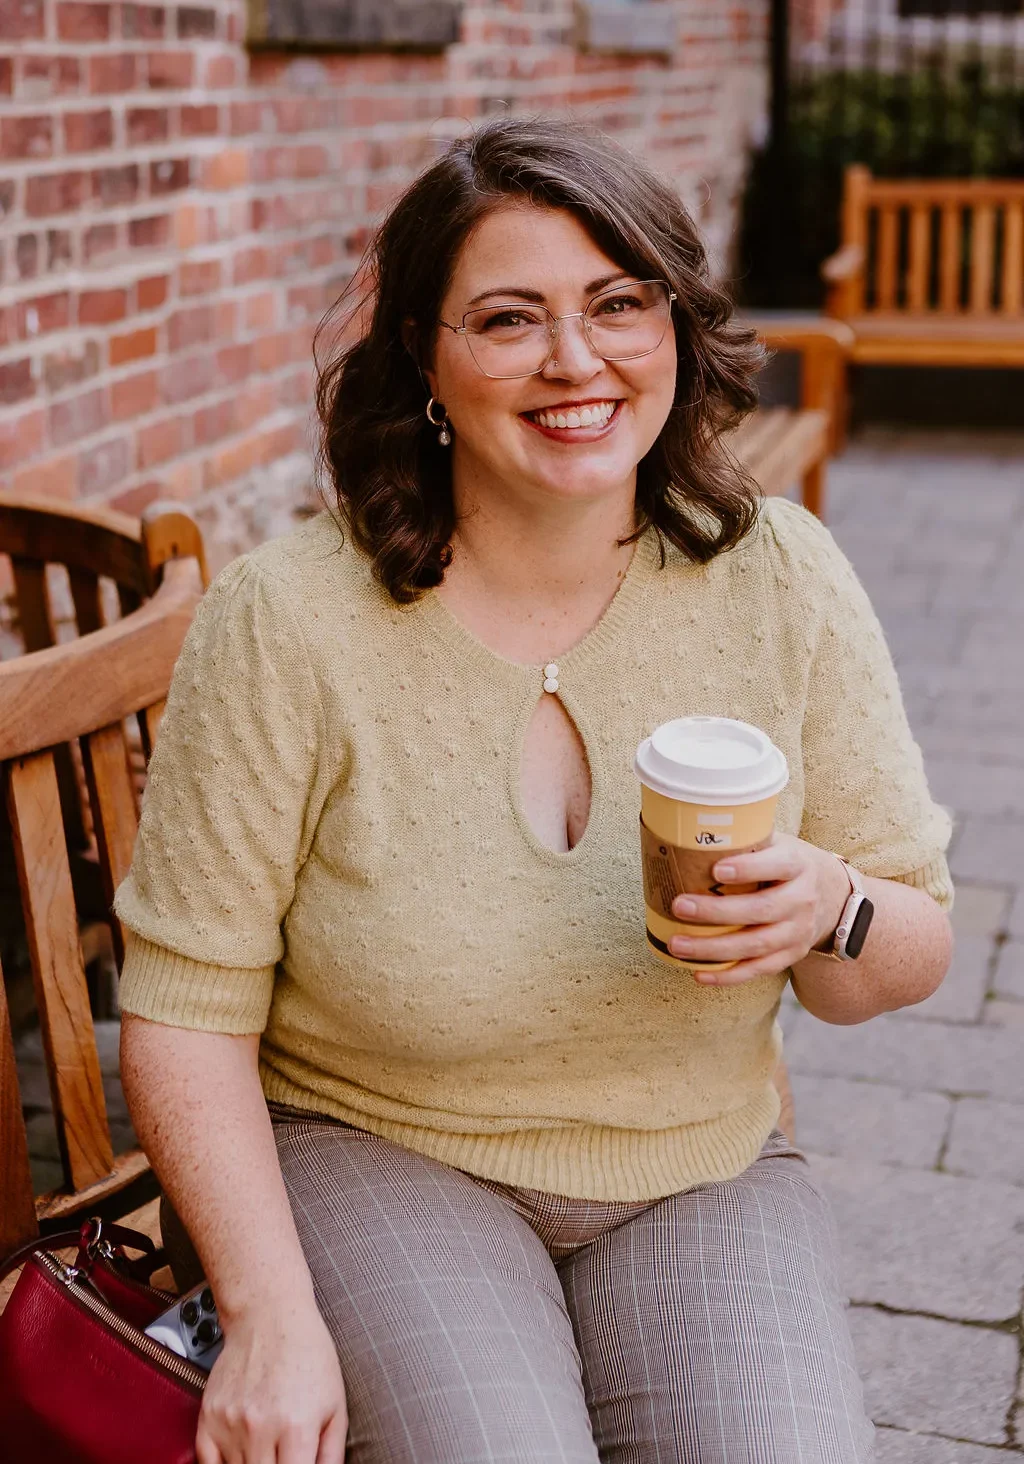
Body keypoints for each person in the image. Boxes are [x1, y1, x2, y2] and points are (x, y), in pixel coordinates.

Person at [115, 116, 953, 1464]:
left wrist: (832, 908)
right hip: (379, 1144)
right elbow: (183, 1008)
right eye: (509, 319)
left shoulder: (782, 578)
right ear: (423, 360)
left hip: (695, 1163)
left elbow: (895, 957)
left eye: (620, 304)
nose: (577, 360)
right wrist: (269, 1316)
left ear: (674, 329)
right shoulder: (290, 622)